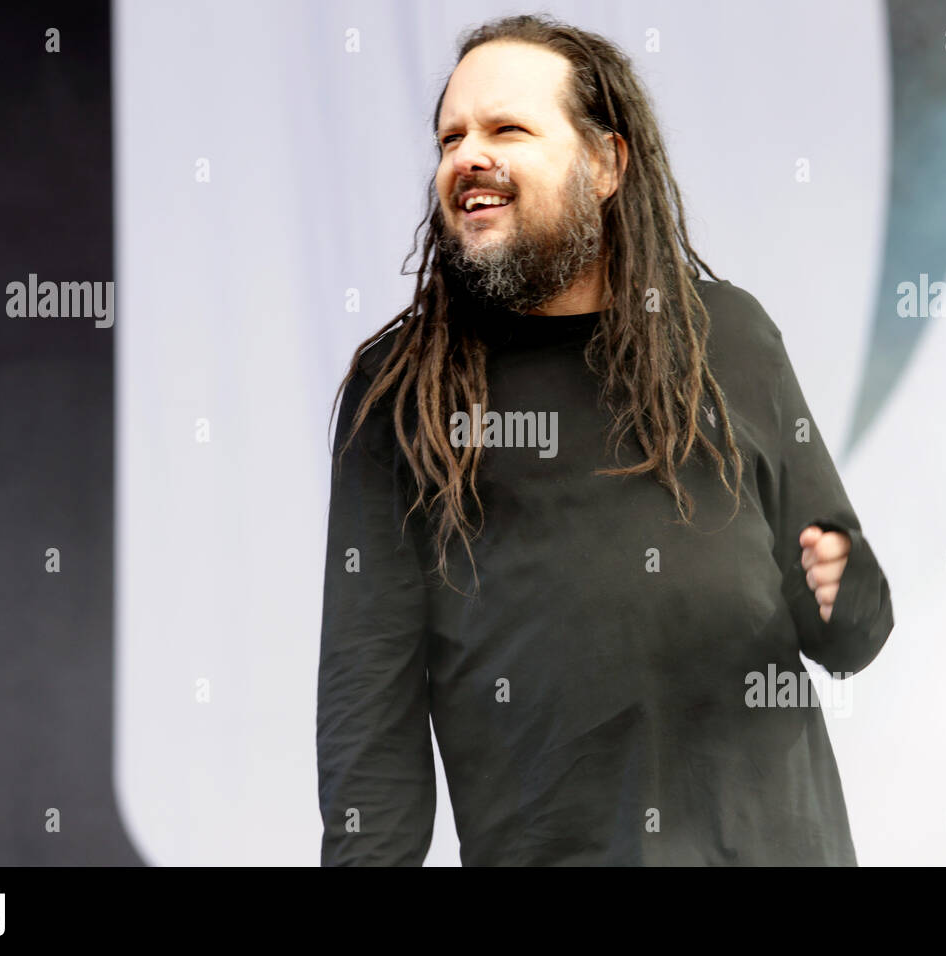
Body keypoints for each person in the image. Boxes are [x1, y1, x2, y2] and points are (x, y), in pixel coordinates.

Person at [316, 13, 894, 866]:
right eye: (451, 138)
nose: (468, 155)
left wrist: (843, 586)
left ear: (605, 162)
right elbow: (369, 715)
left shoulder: (727, 340)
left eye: (507, 128)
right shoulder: (403, 393)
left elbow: (851, 631)